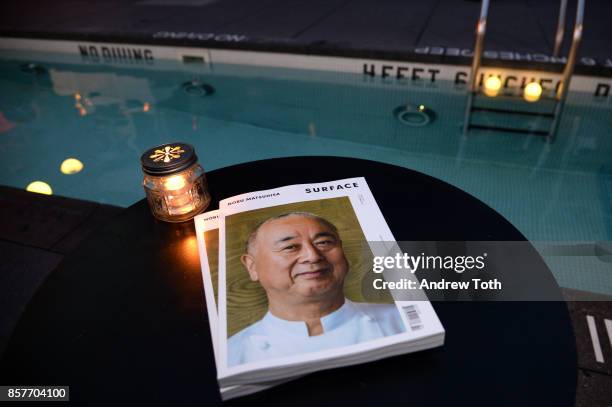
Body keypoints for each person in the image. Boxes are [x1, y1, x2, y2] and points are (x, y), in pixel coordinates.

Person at [228, 211, 405, 366]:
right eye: (290, 247)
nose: (312, 256)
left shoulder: (401, 320)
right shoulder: (232, 355)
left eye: (324, 243)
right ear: (252, 266)